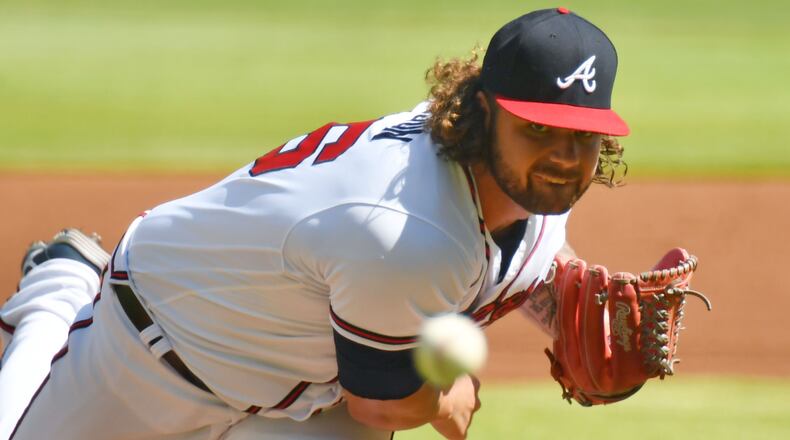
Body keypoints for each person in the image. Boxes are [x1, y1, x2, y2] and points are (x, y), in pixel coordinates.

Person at [0, 7, 629, 440]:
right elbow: (383, 400)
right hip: (159, 342)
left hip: (309, 388)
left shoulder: (529, 187)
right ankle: (63, 285)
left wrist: (572, 316)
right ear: (485, 112)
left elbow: (526, 254)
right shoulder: (406, 231)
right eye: (538, 128)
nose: (563, 157)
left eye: (583, 136)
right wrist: (449, 397)